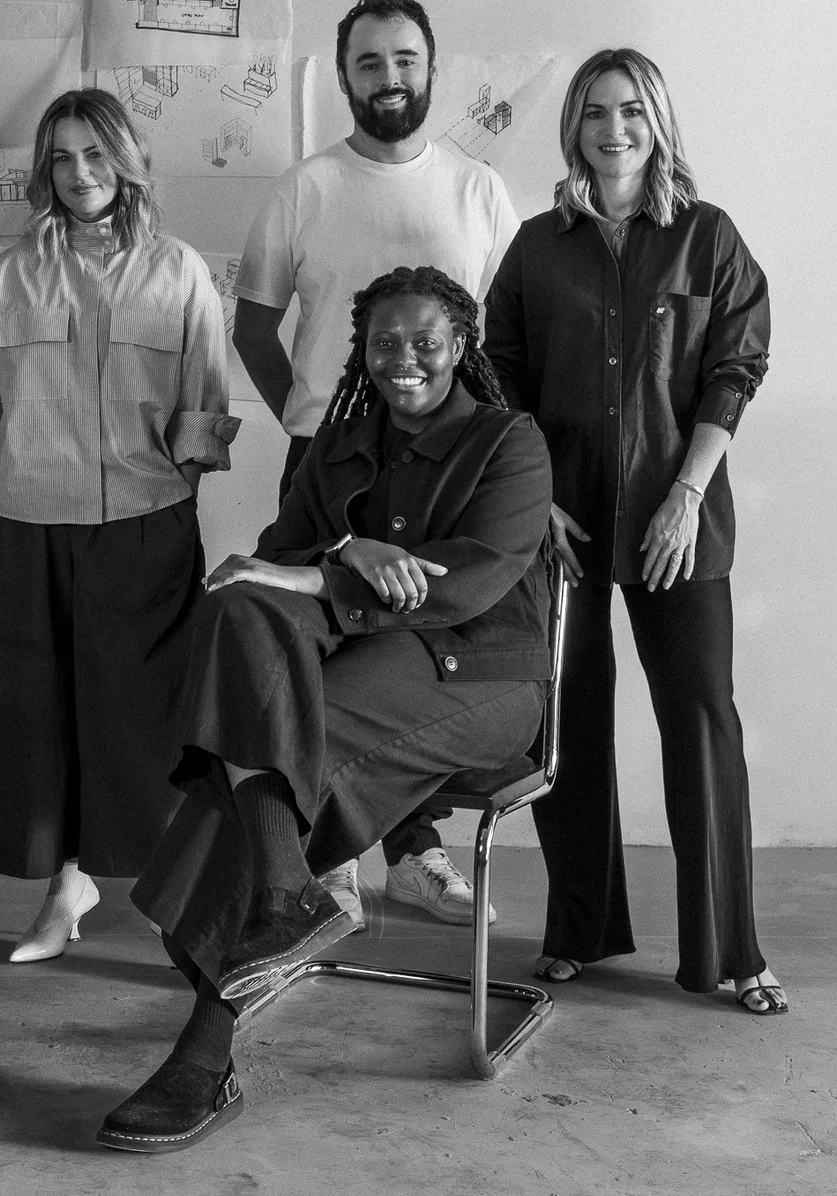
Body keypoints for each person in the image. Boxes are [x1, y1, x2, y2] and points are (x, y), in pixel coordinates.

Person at [95, 265, 555, 1154]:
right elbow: (275, 564)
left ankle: (207, 1043)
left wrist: (331, 566)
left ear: (461, 345)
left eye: (425, 342)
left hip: (482, 677)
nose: (404, 361)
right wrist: (347, 545)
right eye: (385, 343)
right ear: (362, 351)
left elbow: (462, 586)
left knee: (297, 750)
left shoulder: (509, 442)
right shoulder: (337, 443)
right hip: (370, 656)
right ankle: (281, 892)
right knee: (237, 610)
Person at [481, 48, 785, 1015]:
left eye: (633, 114)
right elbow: (502, 380)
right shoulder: (537, 246)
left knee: (702, 722)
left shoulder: (708, 237)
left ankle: (731, 953)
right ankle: (580, 928)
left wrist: (687, 494)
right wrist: (538, 506)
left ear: (657, 126)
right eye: (597, 114)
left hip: (675, 521)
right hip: (561, 526)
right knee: (567, 723)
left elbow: (736, 366)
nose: (614, 132)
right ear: (573, 126)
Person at [230, 0, 523, 931]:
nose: (388, 78)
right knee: (325, 652)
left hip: (445, 465)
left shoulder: (479, 190)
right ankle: (330, 858)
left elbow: (501, 340)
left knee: (416, 651)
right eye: (368, 62)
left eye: (404, 60)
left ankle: (416, 853)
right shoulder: (305, 188)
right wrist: (303, 422)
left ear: (431, 70)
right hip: (332, 457)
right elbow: (254, 323)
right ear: (345, 76)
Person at [0, 89, 238, 962]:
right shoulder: (13, 272)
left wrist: (167, 504)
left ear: (127, 159)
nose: (79, 175)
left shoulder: (181, 272)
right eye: (61, 158)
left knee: (143, 720)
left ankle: (177, 892)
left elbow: (204, 409)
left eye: (95, 155)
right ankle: (65, 885)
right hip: (21, 520)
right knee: (36, 713)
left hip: (143, 527)